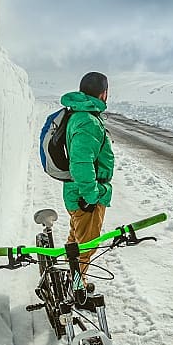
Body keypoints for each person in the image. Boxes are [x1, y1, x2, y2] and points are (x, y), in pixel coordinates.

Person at [61, 71, 114, 281]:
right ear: (103, 93)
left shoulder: (79, 115)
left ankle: (69, 281)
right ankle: (74, 289)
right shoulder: (87, 121)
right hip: (85, 196)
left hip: (78, 192)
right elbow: (81, 162)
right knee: (86, 247)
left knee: (76, 241)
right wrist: (91, 195)